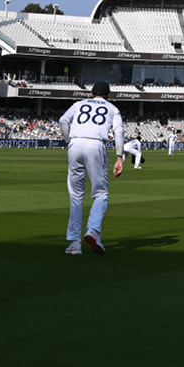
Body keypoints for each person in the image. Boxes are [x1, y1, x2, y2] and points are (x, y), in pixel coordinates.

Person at [60, 82, 124, 256]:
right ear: (108, 95)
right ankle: (93, 230)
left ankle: (74, 244)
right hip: (96, 145)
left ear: (91, 93)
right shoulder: (112, 108)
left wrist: (68, 139)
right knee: (101, 193)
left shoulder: (78, 104)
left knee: (75, 196)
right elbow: (118, 132)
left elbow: (63, 120)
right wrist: (120, 157)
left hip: (75, 143)